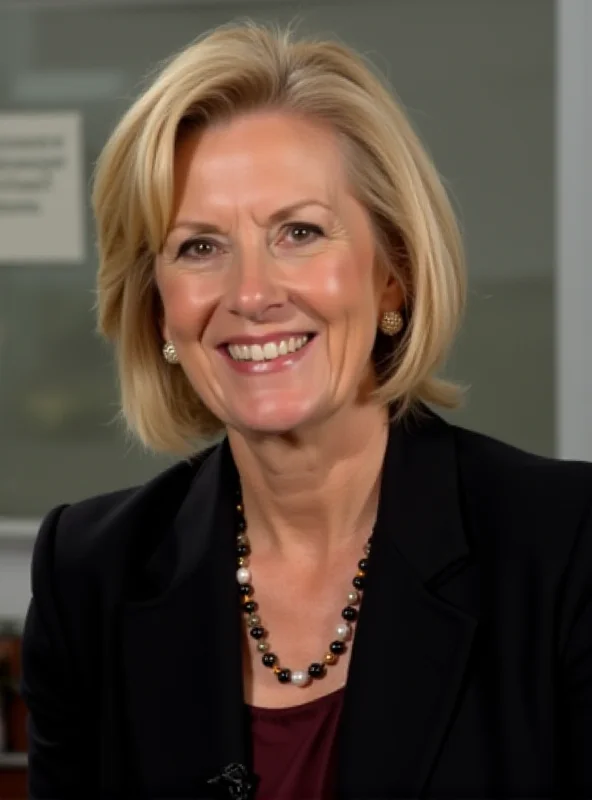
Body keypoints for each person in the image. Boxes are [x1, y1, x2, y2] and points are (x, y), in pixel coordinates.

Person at [20, 21, 592, 800]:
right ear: (158, 310)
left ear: (391, 273)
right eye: (199, 247)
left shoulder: (567, 546)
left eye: (299, 232)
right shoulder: (89, 574)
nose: (252, 294)